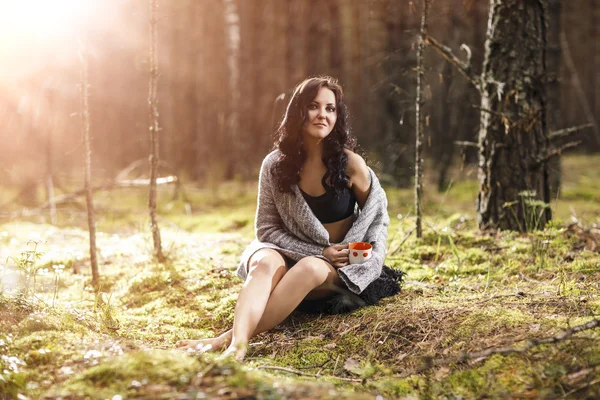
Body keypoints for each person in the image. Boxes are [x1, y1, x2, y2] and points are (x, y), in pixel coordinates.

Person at [177, 76, 400, 361]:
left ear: (337, 116)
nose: (322, 114)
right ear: (298, 111)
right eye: (313, 106)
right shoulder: (275, 166)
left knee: (310, 268)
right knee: (264, 260)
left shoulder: (351, 164)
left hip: (333, 271)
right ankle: (239, 347)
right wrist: (319, 250)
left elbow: (378, 219)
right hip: (290, 255)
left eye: (330, 109)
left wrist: (367, 259)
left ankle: (226, 339)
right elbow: (266, 230)